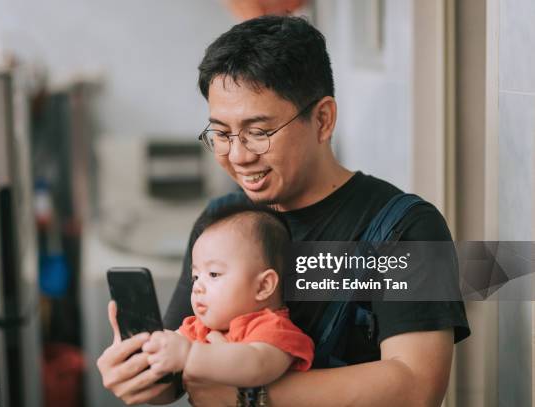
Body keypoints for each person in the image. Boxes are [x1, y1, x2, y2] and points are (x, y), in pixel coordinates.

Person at [97, 15, 470, 406]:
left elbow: (416, 387)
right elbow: (183, 371)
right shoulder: (221, 220)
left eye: (259, 132)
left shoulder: (406, 228)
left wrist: (250, 395)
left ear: (322, 120)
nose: (238, 155)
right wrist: (140, 375)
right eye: (221, 134)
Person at [137, 204, 314, 405]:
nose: (197, 287)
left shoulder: (274, 329)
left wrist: (188, 354)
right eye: (195, 276)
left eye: (213, 274)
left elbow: (254, 366)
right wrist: (144, 347)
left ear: (263, 286)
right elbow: (168, 350)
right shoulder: (198, 327)